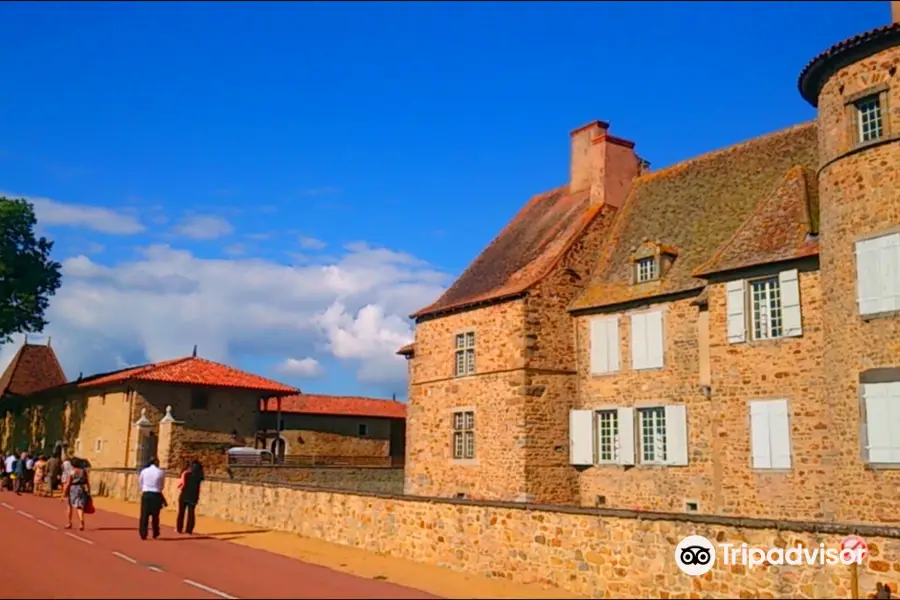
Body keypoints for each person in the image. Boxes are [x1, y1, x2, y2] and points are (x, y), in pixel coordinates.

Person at [137, 457, 165, 540]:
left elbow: (140, 483)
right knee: (155, 516)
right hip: (156, 494)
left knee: (144, 515)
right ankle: (155, 532)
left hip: (146, 494)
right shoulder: (160, 472)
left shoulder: (144, 471)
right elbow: (162, 485)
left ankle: (143, 533)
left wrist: (145, 488)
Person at [176, 460, 204, 535]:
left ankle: (179, 528)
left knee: (181, 512)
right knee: (191, 513)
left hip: (184, 494)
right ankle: (189, 530)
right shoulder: (199, 476)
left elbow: (181, 484)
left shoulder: (186, 474)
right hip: (193, 496)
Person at [62, 457, 91, 530]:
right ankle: (81, 521)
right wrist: (89, 490)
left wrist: (64, 493)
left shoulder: (72, 472)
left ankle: (69, 522)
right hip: (81, 488)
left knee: (69, 505)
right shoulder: (83, 471)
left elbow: (68, 483)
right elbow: (87, 481)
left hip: (73, 489)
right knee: (79, 506)